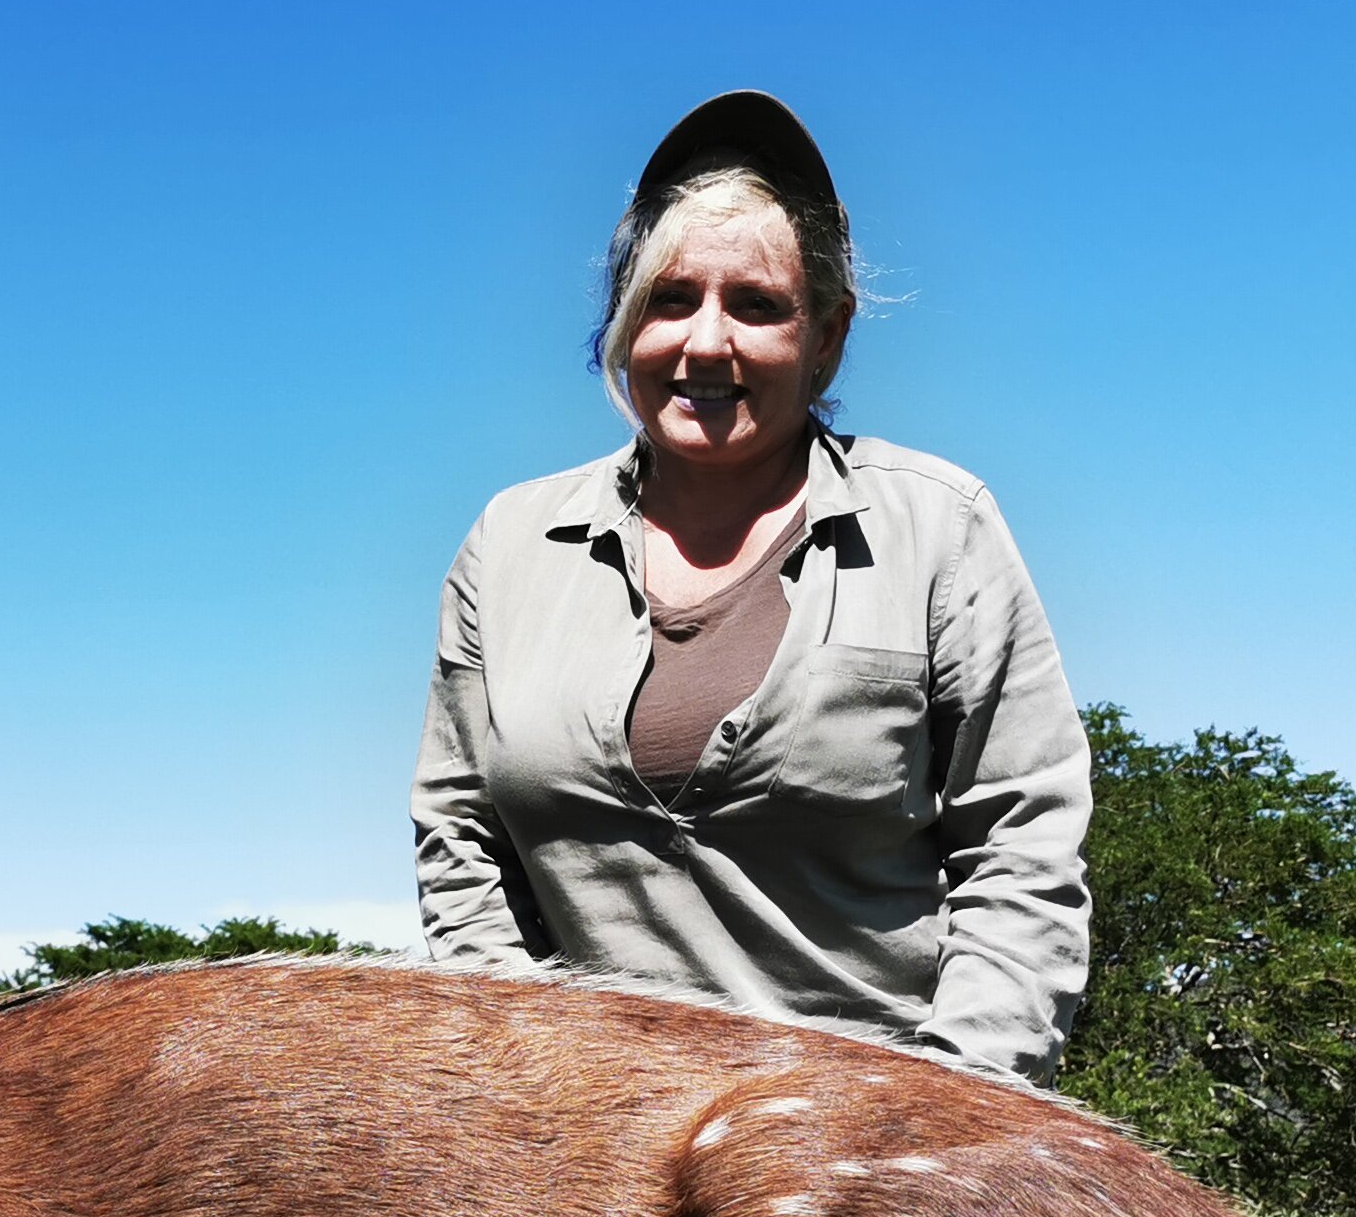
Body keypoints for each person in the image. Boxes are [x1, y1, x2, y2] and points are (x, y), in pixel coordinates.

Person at [411, 91, 1092, 1086]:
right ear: (624, 317)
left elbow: (1021, 849)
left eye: (759, 306)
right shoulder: (511, 541)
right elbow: (459, 836)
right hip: (580, 1136)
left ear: (828, 335)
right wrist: (526, 1084)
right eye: (671, 298)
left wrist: (952, 1110)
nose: (706, 343)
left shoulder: (939, 528)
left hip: (880, 1139)